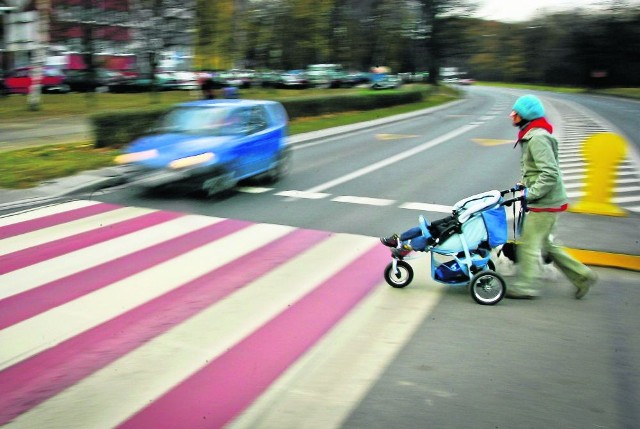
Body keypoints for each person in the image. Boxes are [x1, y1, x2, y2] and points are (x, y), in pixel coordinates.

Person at [506, 94, 597, 299]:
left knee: (529, 244)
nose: (511, 114)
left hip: (544, 202)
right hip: (548, 200)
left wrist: (531, 194)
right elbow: (539, 171)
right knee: (547, 245)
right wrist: (525, 185)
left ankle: (526, 287)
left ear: (525, 116)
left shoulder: (537, 138)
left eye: (516, 112)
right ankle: (583, 275)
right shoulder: (533, 135)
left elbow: (549, 173)